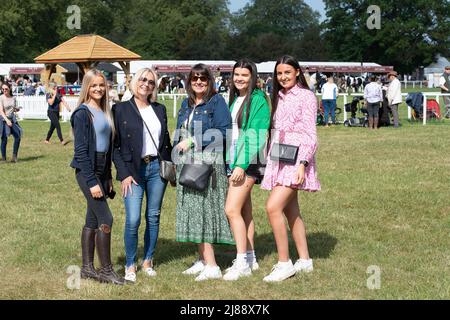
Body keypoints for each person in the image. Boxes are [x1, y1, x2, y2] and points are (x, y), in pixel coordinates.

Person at [261, 55, 320, 282]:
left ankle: (284, 263)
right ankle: (305, 260)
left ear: (297, 72)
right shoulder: (279, 96)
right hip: (279, 156)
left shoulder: (306, 96)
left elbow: (311, 135)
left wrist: (303, 164)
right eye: (279, 73)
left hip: (297, 160)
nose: (283, 77)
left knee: (272, 207)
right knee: (290, 210)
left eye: (287, 72)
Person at [174, 63, 234, 281]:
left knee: (202, 213)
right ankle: (201, 259)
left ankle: (212, 265)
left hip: (207, 163)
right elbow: (179, 132)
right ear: (189, 81)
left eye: (203, 78)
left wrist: (194, 140)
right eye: (194, 78)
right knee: (191, 211)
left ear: (210, 81)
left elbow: (224, 131)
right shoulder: (186, 103)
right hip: (186, 162)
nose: (198, 82)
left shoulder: (216, 102)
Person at [112, 68, 173, 283]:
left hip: (157, 170)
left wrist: (170, 167)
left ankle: (148, 260)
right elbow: (115, 146)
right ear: (135, 81)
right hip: (133, 171)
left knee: (153, 216)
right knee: (133, 219)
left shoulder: (160, 109)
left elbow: (165, 141)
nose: (146, 84)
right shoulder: (119, 109)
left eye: (151, 82)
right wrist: (123, 174)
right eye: (143, 80)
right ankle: (130, 263)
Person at [70, 69, 124, 285]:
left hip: (102, 169)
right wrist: (92, 181)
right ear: (87, 88)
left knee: (92, 219)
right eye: (94, 85)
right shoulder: (83, 114)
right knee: (106, 218)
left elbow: (107, 147)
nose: (99, 89)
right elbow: (81, 152)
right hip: (87, 171)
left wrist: (108, 176)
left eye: (102, 85)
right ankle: (106, 271)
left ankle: (86, 269)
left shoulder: (105, 111)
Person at [223, 59, 270, 281]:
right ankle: (250, 256)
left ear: (252, 77)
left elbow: (256, 134)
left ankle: (240, 261)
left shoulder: (258, 99)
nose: (239, 78)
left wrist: (241, 165)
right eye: (236, 75)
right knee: (244, 211)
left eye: (244, 75)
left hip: (248, 162)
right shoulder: (235, 98)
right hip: (233, 160)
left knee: (231, 210)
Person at [0, 82, 22, 163]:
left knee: (17, 136)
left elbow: (13, 109)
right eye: (3, 89)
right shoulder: (1, 97)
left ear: (9, 89)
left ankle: (14, 157)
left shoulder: (13, 98)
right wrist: (7, 120)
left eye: (6, 89)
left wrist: (16, 109)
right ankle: (3, 158)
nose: (4, 90)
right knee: (4, 138)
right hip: (3, 119)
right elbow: (1, 111)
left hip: (12, 119)